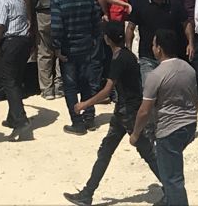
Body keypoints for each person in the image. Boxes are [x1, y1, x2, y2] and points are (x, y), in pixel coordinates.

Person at [63, 21, 160, 206]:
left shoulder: (118, 60)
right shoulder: (128, 56)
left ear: (107, 39)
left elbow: (107, 91)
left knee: (144, 151)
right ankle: (87, 193)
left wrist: (84, 104)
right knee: (107, 150)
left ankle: (171, 189)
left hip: (128, 112)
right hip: (124, 111)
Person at [131, 29, 198, 206]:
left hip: (169, 131)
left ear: (158, 49)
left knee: (172, 180)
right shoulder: (189, 69)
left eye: (154, 44)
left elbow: (144, 111)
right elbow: (194, 98)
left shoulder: (156, 75)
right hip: (189, 126)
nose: (153, 47)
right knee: (172, 173)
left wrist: (136, 134)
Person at [51, 0, 102, 134]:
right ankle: (90, 117)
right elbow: (96, 19)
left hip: (69, 49)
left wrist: (57, 49)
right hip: (86, 46)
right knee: (87, 82)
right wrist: (95, 38)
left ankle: (77, 122)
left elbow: (57, 27)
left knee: (71, 86)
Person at [0, 0, 31, 132]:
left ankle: (20, 118)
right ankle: (12, 118)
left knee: (8, 80)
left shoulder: (2, 0)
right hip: (24, 42)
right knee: (16, 79)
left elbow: (0, 26)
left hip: (11, 42)